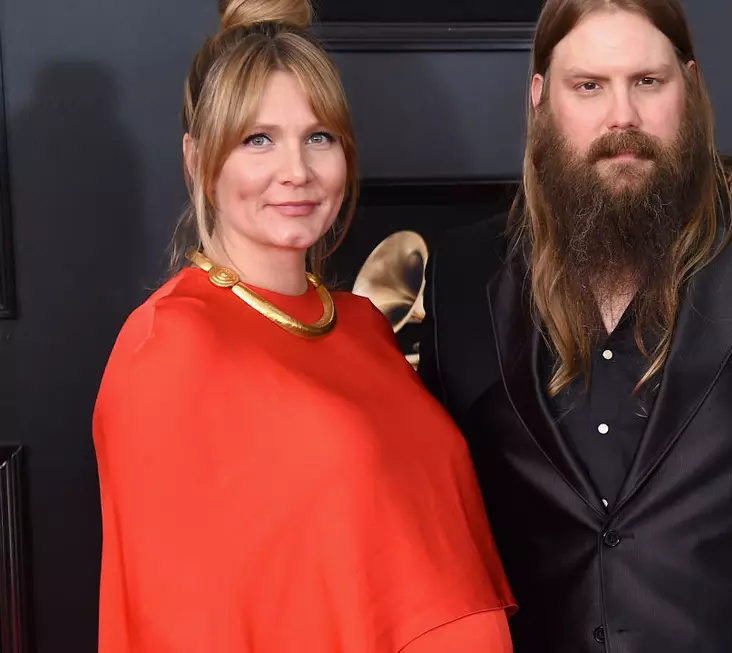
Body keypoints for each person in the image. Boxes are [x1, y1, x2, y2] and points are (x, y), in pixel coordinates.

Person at [416, 0, 732, 651]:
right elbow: (437, 529)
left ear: (690, 85)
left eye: (647, 82)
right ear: (540, 97)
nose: (621, 116)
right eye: (589, 85)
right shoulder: (460, 273)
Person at [91, 0, 515, 650]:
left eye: (319, 136)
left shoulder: (361, 325)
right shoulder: (172, 347)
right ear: (198, 158)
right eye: (257, 139)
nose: (298, 170)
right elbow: (174, 622)